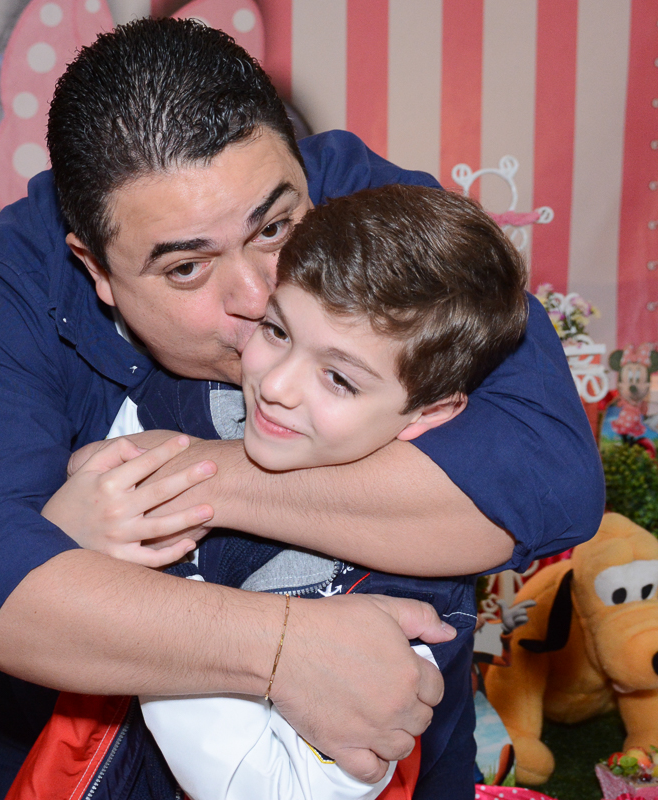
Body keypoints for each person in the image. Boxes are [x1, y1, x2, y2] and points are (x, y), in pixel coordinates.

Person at [0, 17, 605, 799]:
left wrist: (179, 484)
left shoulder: (379, 206)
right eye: (185, 268)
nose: (258, 294)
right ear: (94, 269)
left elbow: (550, 479)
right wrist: (283, 650)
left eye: (276, 227)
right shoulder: (14, 275)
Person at [51, 182, 529, 800]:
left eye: (337, 377)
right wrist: (72, 517)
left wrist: (154, 603)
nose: (276, 384)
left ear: (428, 414)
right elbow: (85, 500)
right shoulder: (185, 399)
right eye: (277, 331)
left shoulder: (416, 596)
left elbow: (270, 787)